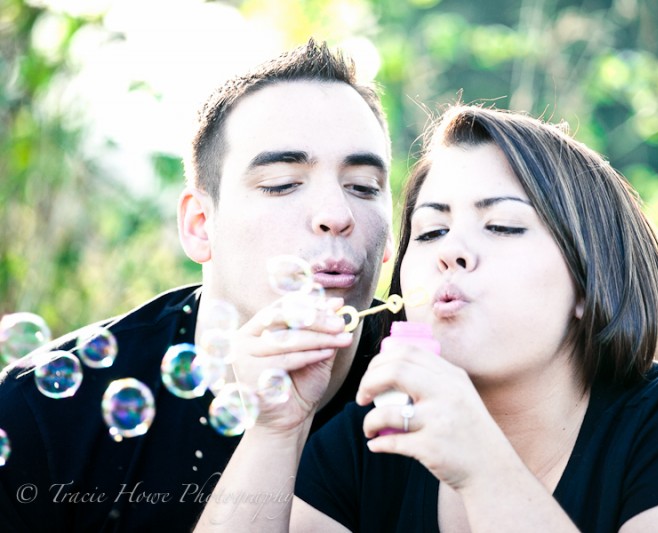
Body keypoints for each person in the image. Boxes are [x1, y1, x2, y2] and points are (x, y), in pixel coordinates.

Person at [197, 104, 658, 531]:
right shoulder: (366, 449)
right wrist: (277, 430)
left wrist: (483, 469)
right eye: (430, 230)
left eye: (503, 225)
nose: (448, 251)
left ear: (591, 280)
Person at [0, 38, 394, 531]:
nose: (337, 215)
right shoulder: (40, 416)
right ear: (200, 225)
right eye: (281, 183)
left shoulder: (439, 386)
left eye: (364, 187)